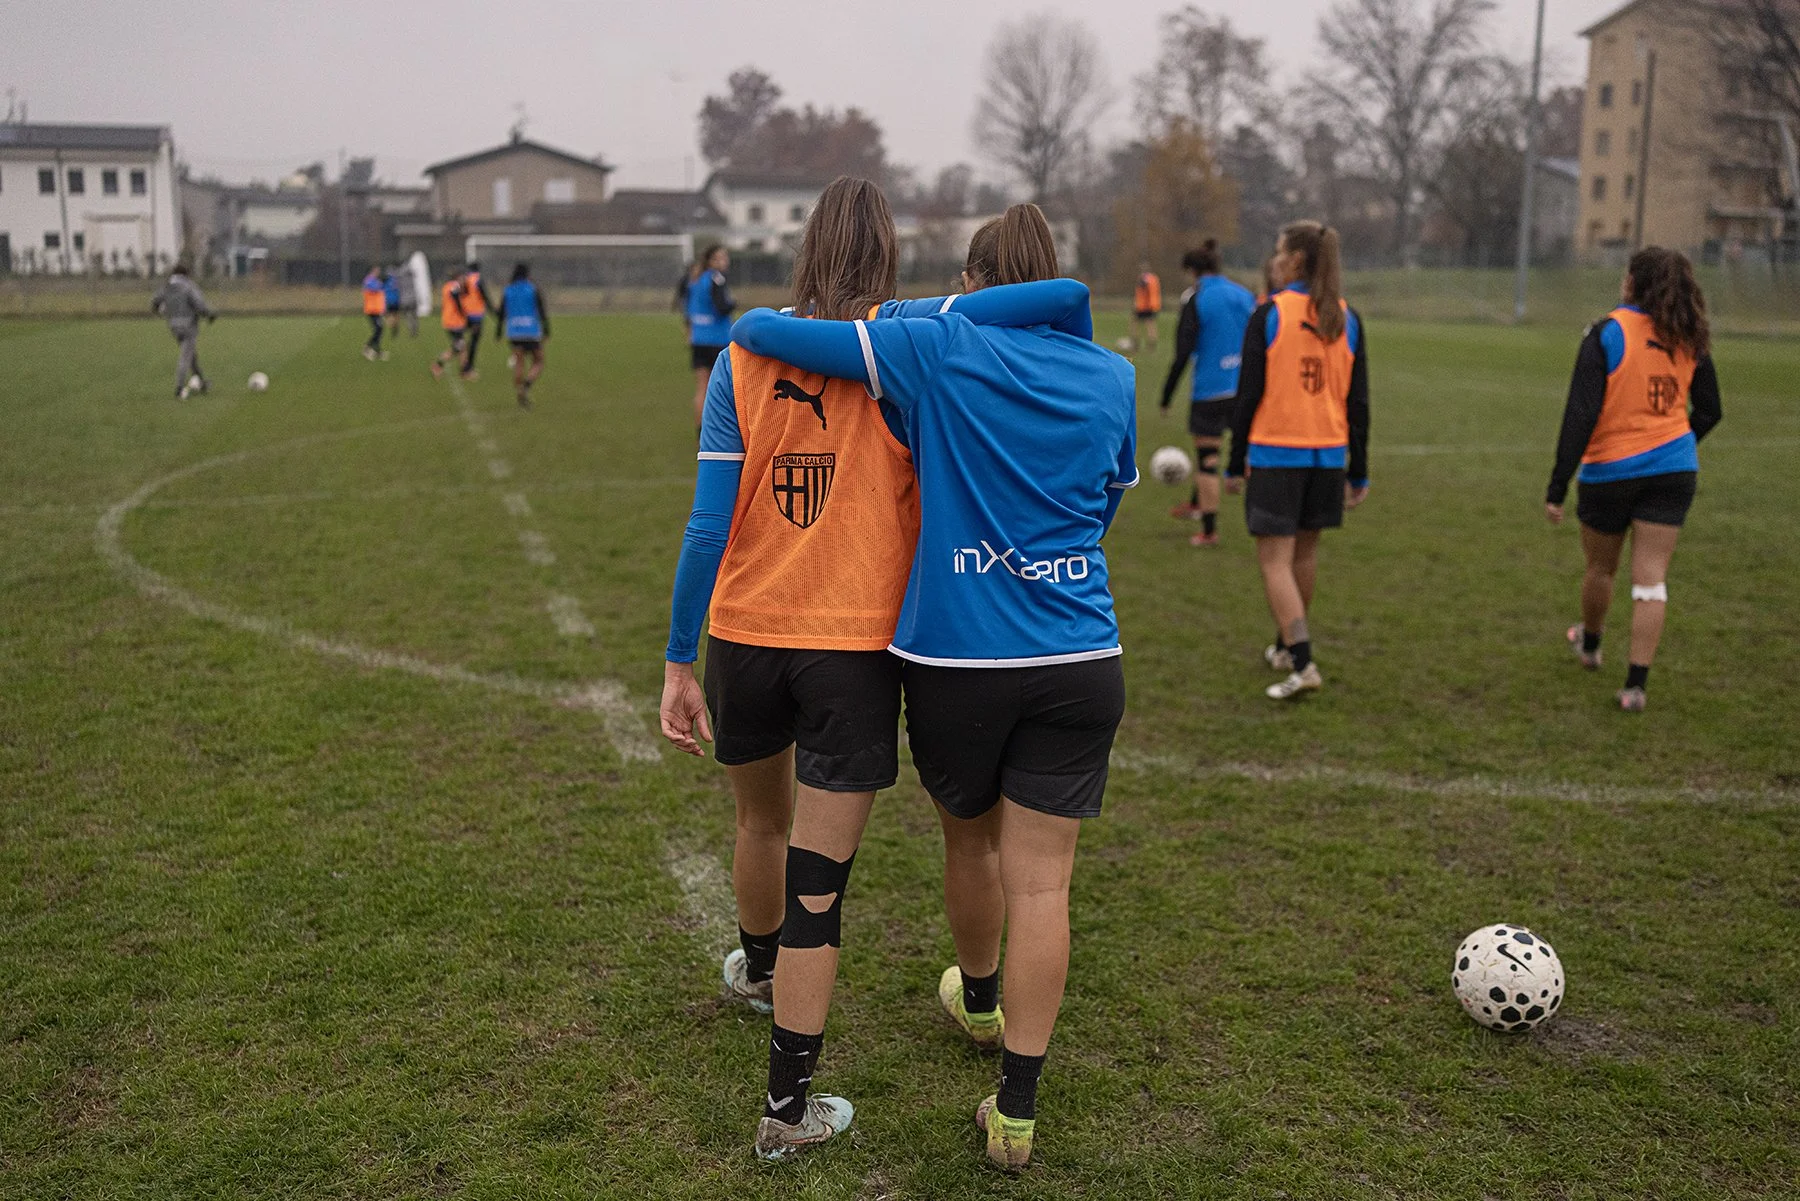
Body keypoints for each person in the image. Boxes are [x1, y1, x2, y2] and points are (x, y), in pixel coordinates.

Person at [733, 203, 1136, 1171]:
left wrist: (925, 311)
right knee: (1046, 882)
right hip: (1082, 651)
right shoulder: (1112, 373)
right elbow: (1105, 502)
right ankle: (1017, 1112)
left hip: (961, 655)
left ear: (971, 282)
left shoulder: (940, 346)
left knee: (973, 841)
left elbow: (767, 332)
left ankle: (981, 996)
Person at [1545, 247, 1721, 713]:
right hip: (1673, 471)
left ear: (1632, 283)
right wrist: (1675, 446)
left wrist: (1557, 486)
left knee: (1601, 569)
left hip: (1610, 471)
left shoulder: (1607, 332)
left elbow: (1580, 416)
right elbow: (1711, 410)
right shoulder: (1690, 336)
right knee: (1651, 582)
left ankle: (1590, 647)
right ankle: (1635, 687)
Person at [1225, 220, 1370, 701]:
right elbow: (1358, 403)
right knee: (1303, 557)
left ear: (1296, 261)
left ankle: (1303, 662)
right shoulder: (1347, 318)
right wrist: (1358, 469)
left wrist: (1234, 461)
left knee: (1275, 562)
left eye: (1279, 252)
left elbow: (1247, 396)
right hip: (1327, 456)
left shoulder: (1270, 314)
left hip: (1276, 454)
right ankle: (1287, 647)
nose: (1274, 260)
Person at [1159, 240, 1257, 545]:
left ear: (1193, 271)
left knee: (1208, 460)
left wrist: (1166, 396)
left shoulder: (1197, 299)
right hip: (1245, 389)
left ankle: (1209, 531)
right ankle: (1202, 505)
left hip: (1210, 391)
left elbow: (1182, 353)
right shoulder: (1245, 295)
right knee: (1242, 454)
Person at [684, 244, 735, 432]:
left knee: (702, 387)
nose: (724, 261)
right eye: (720, 258)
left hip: (699, 339)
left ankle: (700, 431)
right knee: (724, 388)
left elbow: (688, 310)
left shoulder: (695, 279)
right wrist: (732, 303)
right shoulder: (716, 278)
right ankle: (718, 431)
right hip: (717, 339)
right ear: (711, 261)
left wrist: (689, 332)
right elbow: (722, 307)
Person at [151, 262, 215, 399]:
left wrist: (158, 310)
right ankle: (179, 387)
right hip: (188, 325)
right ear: (186, 274)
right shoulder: (189, 286)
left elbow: (155, 301)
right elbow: (199, 303)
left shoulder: (167, 286)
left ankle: (202, 382)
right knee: (186, 356)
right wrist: (209, 314)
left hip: (173, 326)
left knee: (191, 356)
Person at [495, 262, 550, 409]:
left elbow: (501, 313)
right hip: (530, 331)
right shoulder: (533, 289)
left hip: (514, 331)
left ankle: (520, 391)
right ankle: (526, 385)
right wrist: (547, 330)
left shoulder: (508, 290)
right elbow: (542, 310)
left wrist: (498, 332)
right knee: (538, 361)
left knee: (519, 363)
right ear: (527, 274)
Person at [430, 270, 468, 379]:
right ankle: (438, 365)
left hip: (448, 319)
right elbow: (455, 296)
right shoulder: (454, 286)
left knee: (462, 347)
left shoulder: (446, 286)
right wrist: (462, 312)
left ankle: (464, 371)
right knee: (458, 347)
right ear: (458, 277)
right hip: (455, 321)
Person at [459, 261, 492, 379]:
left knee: (461, 341)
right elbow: (485, 296)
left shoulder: (464, 279)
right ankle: (468, 368)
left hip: (464, 315)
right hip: (476, 316)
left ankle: (463, 365)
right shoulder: (478, 280)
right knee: (473, 342)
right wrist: (493, 311)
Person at [1132, 261, 1162, 355]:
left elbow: (1143, 288)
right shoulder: (1154, 278)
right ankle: (1152, 346)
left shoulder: (1144, 278)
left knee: (1136, 324)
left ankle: (1136, 344)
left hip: (1144, 306)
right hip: (1153, 305)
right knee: (1151, 325)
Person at [361, 265, 388, 361]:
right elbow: (374, 288)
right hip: (371, 310)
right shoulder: (368, 280)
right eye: (376, 271)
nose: (378, 272)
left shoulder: (376, 281)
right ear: (372, 271)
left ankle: (377, 351)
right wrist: (382, 283)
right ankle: (367, 348)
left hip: (377, 310)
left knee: (379, 330)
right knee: (378, 329)